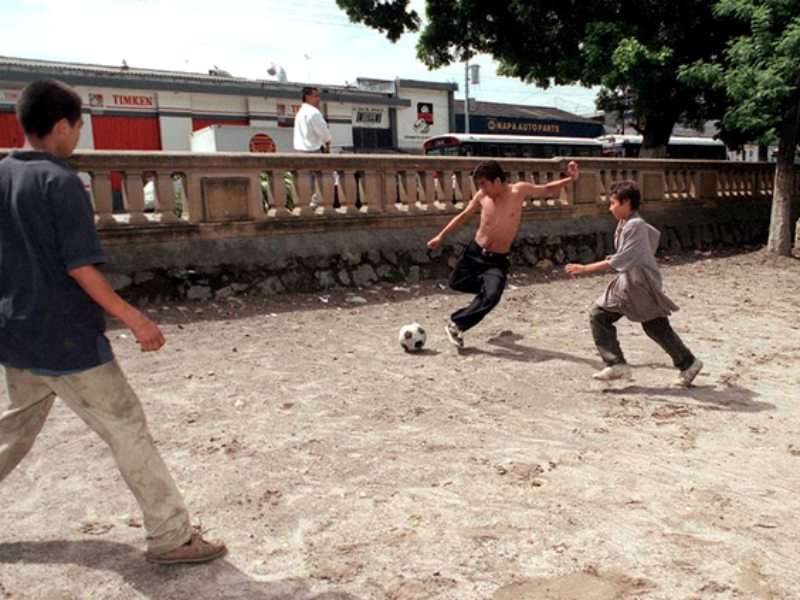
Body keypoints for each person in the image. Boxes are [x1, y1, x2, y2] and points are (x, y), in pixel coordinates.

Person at [0, 79, 226, 565]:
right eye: (79, 126)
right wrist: (135, 319)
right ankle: (170, 535)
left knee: (13, 432)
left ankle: (170, 533)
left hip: (17, 333)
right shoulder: (60, 182)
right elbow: (80, 268)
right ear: (62, 126)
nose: (78, 136)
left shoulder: (3, 176)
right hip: (67, 340)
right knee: (126, 426)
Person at [427, 159, 579, 348]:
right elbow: (463, 216)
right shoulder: (482, 196)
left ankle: (457, 325)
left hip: (497, 260)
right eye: (480, 185)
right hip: (474, 253)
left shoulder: (518, 191)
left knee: (492, 296)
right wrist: (440, 236)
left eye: (484, 184)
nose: (482, 189)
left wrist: (570, 179)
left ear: (497, 181)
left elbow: (547, 188)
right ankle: (485, 291)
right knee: (455, 283)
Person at [564, 180, 703, 385]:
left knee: (655, 326)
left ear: (626, 202)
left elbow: (622, 258)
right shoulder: (627, 224)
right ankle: (616, 363)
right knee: (599, 315)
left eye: (613, 203)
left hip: (641, 284)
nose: (610, 208)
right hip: (627, 282)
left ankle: (688, 363)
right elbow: (652, 237)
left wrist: (585, 268)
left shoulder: (635, 225)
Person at [293, 86, 331, 210]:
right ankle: (315, 204)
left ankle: (305, 205)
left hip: (300, 151)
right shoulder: (313, 112)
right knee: (324, 178)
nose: (318, 99)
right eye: (316, 96)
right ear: (308, 97)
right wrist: (327, 145)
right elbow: (323, 132)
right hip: (313, 150)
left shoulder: (300, 113)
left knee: (305, 180)